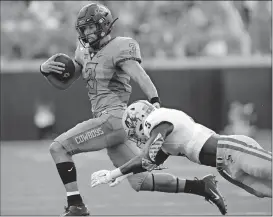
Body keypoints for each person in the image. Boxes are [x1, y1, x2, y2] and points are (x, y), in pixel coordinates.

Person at [40, 3, 226, 216]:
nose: (88, 32)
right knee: (141, 180)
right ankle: (202, 186)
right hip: (111, 124)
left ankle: (76, 206)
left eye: (92, 27)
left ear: (104, 25)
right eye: (85, 28)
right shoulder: (83, 53)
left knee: (59, 147)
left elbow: (140, 76)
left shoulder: (119, 47)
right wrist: (44, 70)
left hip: (114, 118)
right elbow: (65, 83)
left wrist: (155, 102)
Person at [91, 100, 272, 199]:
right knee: (265, 190)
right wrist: (123, 175)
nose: (137, 136)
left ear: (139, 120)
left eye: (134, 131)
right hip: (227, 166)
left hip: (232, 150)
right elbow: (149, 163)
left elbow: (145, 156)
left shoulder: (157, 120)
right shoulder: (164, 139)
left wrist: (112, 174)